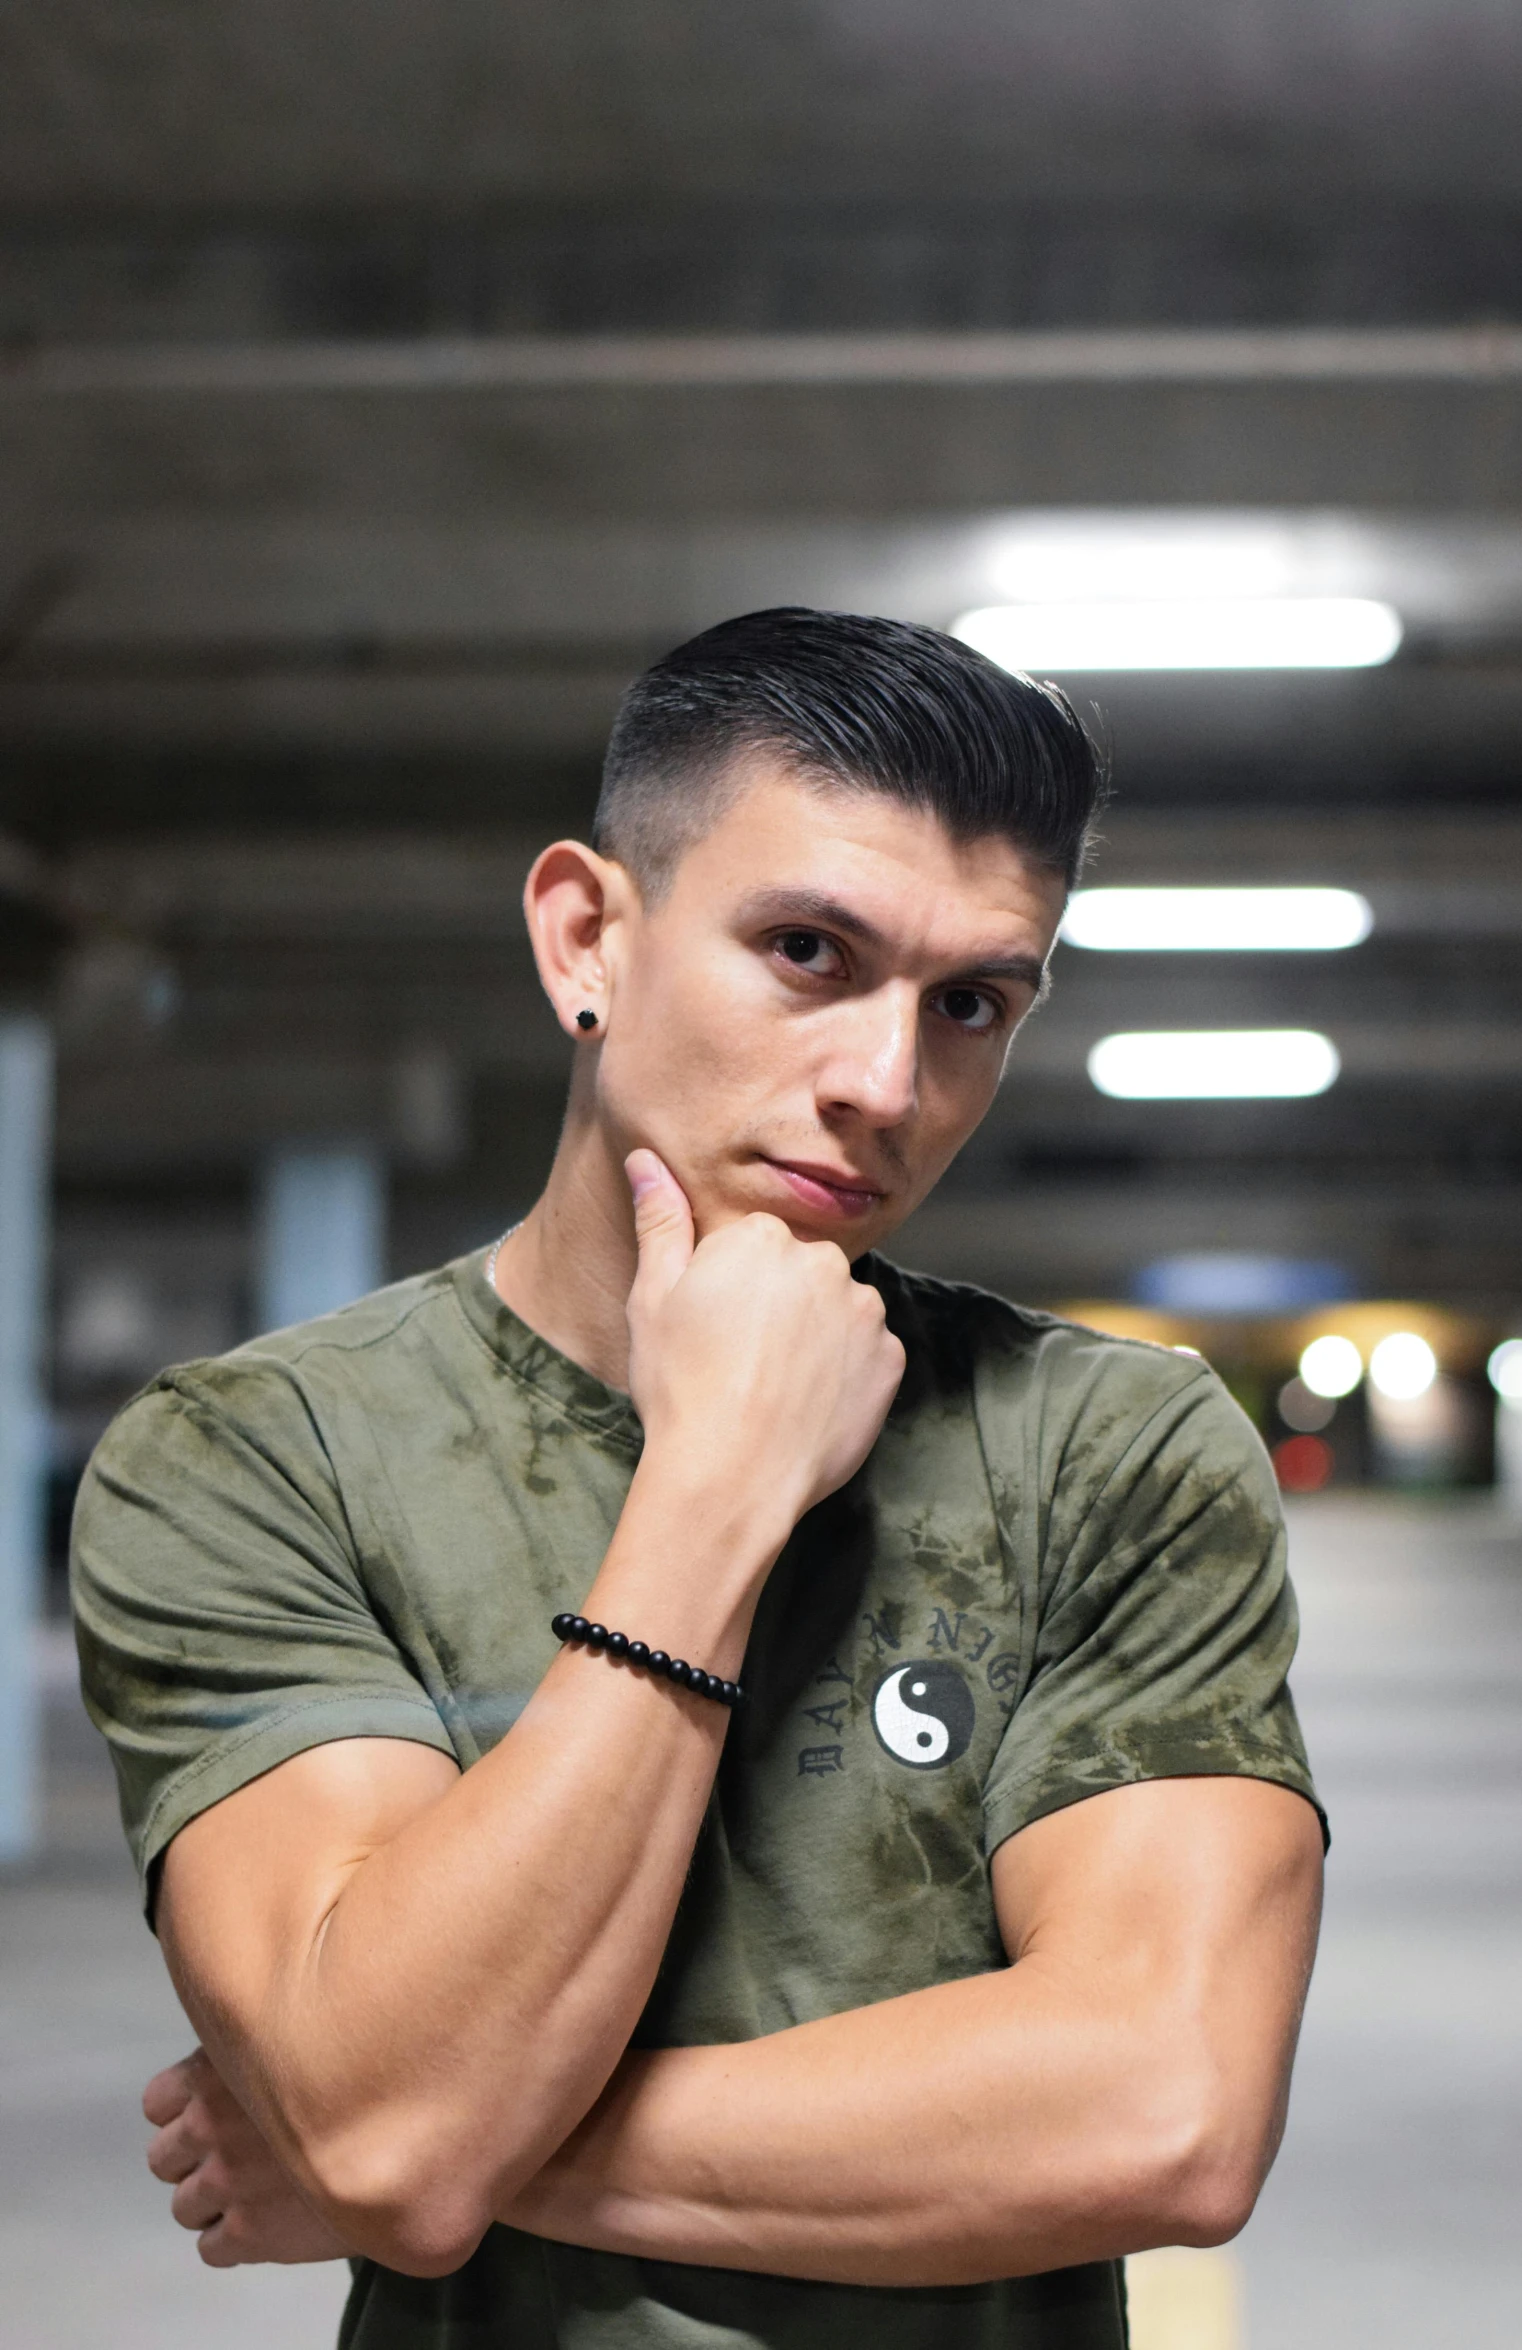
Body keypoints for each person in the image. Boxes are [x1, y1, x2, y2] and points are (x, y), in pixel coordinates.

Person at [73, 607, 1325, 2350]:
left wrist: (447, 2145)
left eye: (970, 1002)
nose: (887, 1084)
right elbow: (389, 2123)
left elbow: (1162, 2112)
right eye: (810, 950)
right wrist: (716, 1487)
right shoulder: (255, 1460)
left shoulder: (1112, 1450)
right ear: (588, 934)